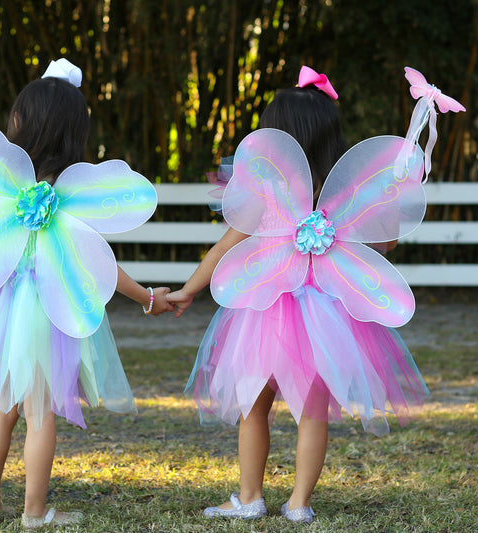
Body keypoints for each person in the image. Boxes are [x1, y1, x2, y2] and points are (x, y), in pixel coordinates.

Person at [0, 59, 173, 530]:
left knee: (3, 408)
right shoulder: (71, 194)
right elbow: (100, 266)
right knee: (40, 411)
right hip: (48, 312)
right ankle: (35, 510)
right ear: (72, 132)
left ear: (21, 123)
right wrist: (147, 298)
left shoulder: (1, 180)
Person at [166, 67, 428, 524]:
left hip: (264, 312)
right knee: (313, 411)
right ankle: (299, 504)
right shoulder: (345, 194)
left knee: (253, 406)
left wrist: (190, 289)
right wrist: (392, 201)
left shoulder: (267, 193)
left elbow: (227, 246)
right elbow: (384, 244)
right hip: (325, 317)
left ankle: (250, 497)